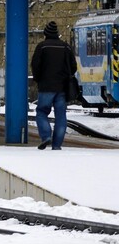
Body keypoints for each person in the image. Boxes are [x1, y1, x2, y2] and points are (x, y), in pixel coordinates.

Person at [31, 20, 77, 150]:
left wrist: (38, 79)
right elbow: (74, 66)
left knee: (41, 112)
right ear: (57, 33)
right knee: (61, 116)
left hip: (46, 87)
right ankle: (57, 145)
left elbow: (35, 65)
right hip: (62, 88)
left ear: (46, 33)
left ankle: (46, 136)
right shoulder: (66, 47)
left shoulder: (42, 47)